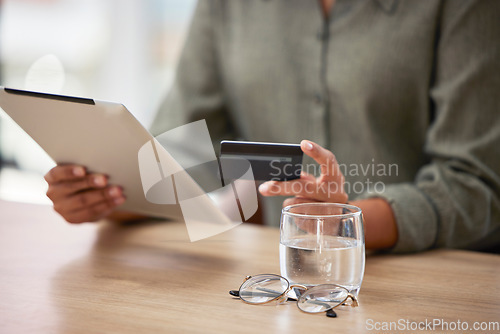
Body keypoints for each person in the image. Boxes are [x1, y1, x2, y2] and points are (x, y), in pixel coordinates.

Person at [44, 0, 500, 253]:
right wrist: (108, 194)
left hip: (428, 281)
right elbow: (185, 152)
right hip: (273, 281)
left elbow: (476, 183)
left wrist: (345, 223)